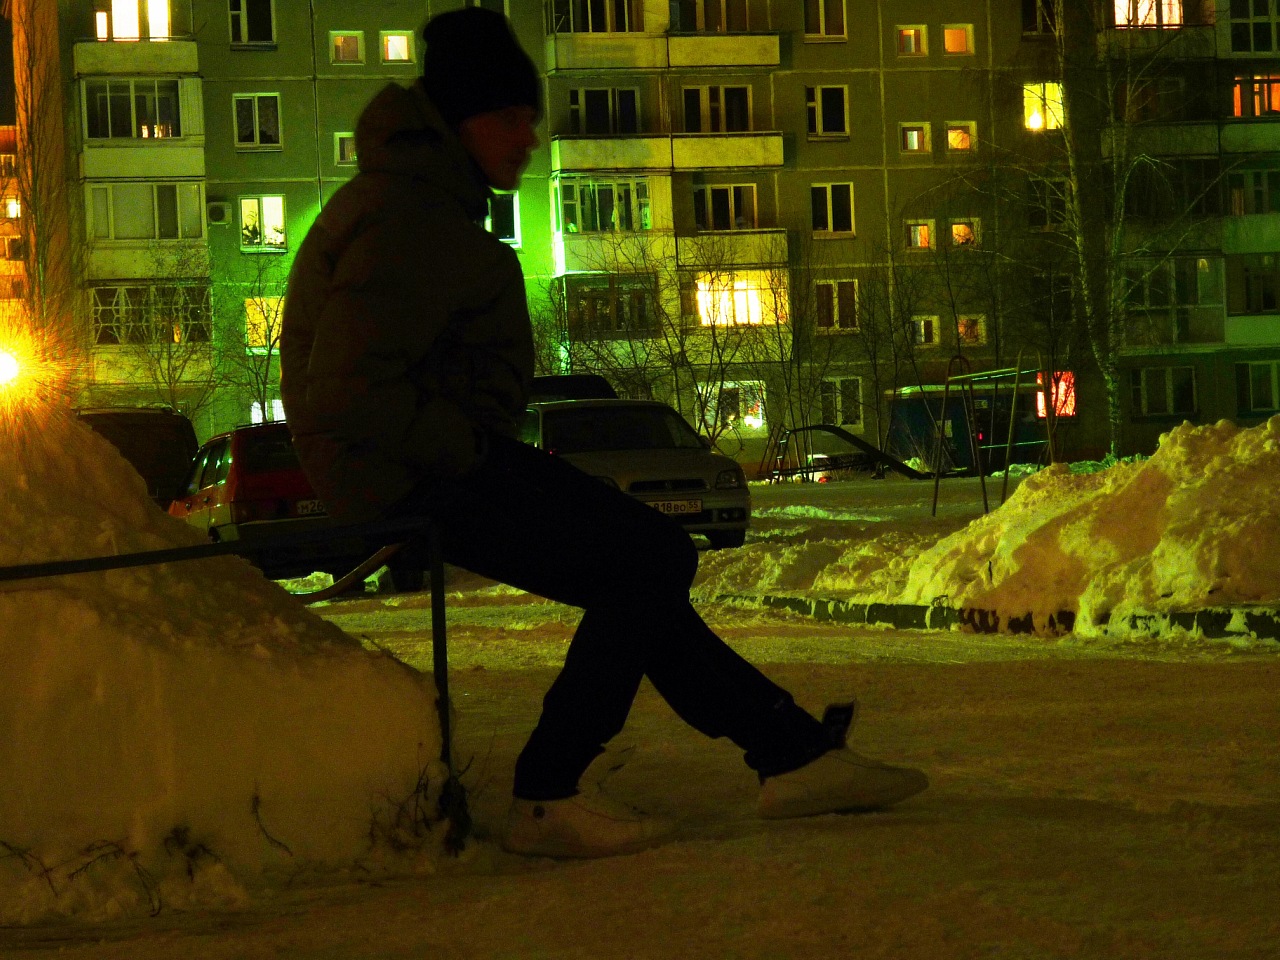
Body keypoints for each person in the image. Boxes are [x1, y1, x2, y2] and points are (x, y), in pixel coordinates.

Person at [280, 8, 927, 859]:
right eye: (509, 117)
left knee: (642, 570)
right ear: (459, 119)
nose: (528, 137)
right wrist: (469, 448)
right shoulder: (409, 215)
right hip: (410, 473)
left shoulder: (418, 201)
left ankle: (790, 754)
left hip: (423, 461)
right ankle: (555, 791)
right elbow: (346, 391)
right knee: (647, 560)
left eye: (530, 116)